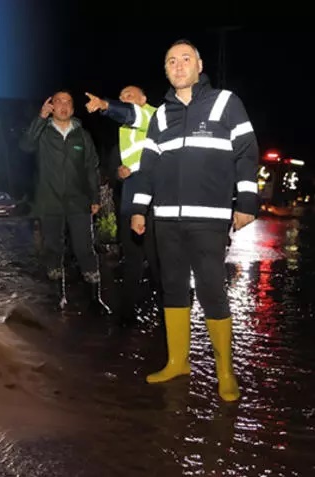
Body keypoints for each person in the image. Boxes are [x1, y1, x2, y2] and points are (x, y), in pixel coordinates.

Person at [129, 39, 258, 402]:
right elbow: (148, 167)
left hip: (210, 220)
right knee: (172, 288)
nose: (179, 65)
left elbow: (247, 152)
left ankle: (225, 372)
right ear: (166, 70)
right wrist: (139, 209)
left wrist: (246, 200)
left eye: (186, 58)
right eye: (171, 60)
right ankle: (177, 361)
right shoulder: (161, 116)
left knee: (212, 291)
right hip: (166, 220)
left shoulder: (225, 102)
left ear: (199, 65)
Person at [20, 90, 110, 314]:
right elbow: (25, 145)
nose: (63, 106)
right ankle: (57, 297)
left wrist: (95, 198)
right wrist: (40, 117)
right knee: (53, 248)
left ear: (72, 108)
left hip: (78, 201)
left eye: (67, 102)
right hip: (49, 200)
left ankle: (94, 298)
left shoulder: (82, 135)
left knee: (85, 248)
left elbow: (91, 168)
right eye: (58, 102)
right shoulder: (42, 132)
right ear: (51, 106)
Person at [85, 86, 162, 322]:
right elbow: (113, 169)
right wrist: (119, 173)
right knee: (132, 260)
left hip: (153, 203)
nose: (124, 99)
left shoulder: (154, 115)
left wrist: (106, 105)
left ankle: (168, 315)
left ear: (144, 98)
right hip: (129, 201)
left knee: (158, 261)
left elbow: (131, 114)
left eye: (129, 95)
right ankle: (127, 315)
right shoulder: (124, 133)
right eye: (121, 97)